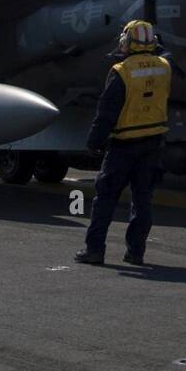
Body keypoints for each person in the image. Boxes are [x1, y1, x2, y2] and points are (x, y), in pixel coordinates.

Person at [74, 19, 172, 266]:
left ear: (128, 42)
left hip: (124, 144)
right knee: (142, 201)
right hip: (153, 143)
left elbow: (106, 112)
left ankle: (95, 250)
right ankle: (136, 252)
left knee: (105, 199)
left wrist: (94, 142)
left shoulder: (122, 71)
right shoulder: (164, 67)